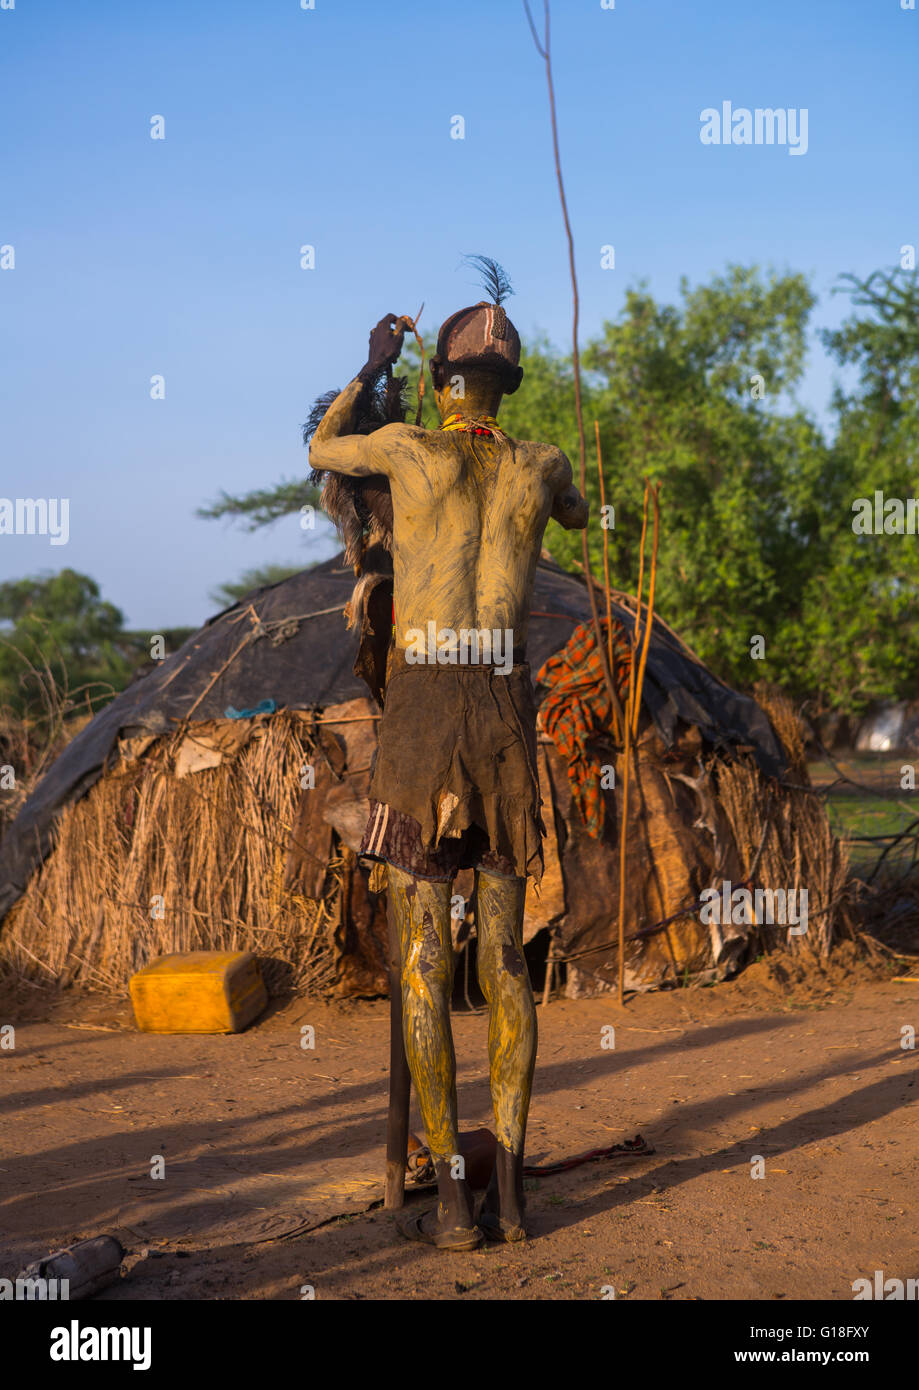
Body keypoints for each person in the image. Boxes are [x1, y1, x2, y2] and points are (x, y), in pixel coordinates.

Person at [309, 263, 588, 1249]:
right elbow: (581, 515)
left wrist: (366, 363)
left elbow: (319, 445)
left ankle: (455, 1205)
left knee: (423, 962)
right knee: (505, 962)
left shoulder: (402, 446)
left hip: (425, 712)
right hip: (502, 714)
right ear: (508, 388)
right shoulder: (541, 463)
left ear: (436, 380)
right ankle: (513, 1192)